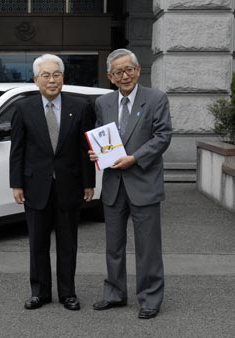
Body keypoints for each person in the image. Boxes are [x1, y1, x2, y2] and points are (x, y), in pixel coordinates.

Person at [90, 49, 172, 319]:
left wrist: (135, 158)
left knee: (148, 247)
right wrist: (96, 154)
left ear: (138, 70)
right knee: (113, 245)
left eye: (129, 69)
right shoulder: (103, 103)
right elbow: (104, 138)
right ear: (110, 77)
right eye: (118, 72)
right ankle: (114, 292)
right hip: (114, 185)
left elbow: (162, 136)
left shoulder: (156, 98)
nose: (124, 75)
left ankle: (150, 297)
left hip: (143, 182)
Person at [9, 54, 95, 311]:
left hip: (70, 185)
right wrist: (16, 184)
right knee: (37, 243)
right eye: (45, 75)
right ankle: (39, 292)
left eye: (56, 74)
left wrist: (89, 183)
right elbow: (17, 150)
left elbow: (85, 149)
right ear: (36, 80)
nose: (51, 80)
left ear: (63, 78)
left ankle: (68, 293)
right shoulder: (23, 108)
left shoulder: (80, 107)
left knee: (68, 243)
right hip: (35, 186)